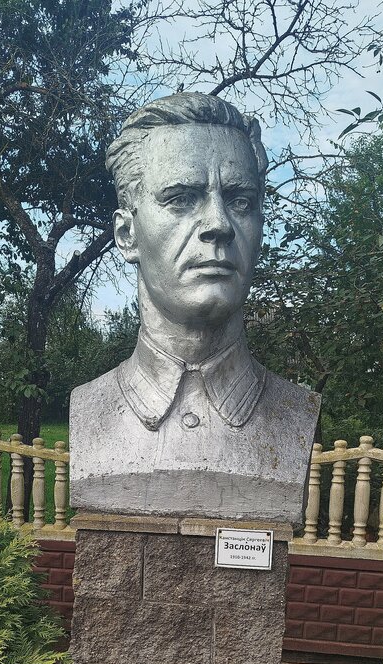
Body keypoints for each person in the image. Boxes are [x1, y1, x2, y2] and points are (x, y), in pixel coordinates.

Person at [69, 93, 320, 524]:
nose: (219, 225)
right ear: (127, 234)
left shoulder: (294, 415)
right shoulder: (90, 411)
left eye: (241, 201)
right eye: (181, 198)